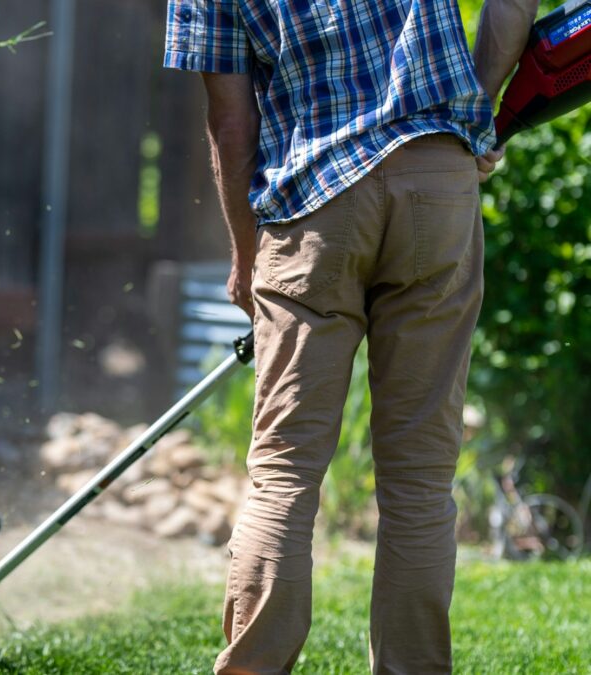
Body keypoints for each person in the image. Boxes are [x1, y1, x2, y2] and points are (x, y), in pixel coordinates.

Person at [164, 0, 540, 672]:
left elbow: (230, 118)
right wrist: (471, 111)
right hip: (436, 182)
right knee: (421, 479)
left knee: (283, 471)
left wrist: (248, 257)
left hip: (315, 201)